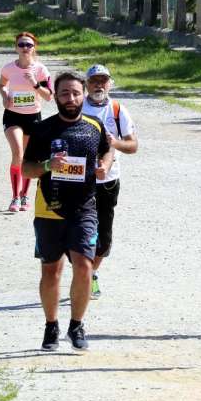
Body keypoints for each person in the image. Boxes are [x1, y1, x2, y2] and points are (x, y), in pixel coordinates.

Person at [22, 72, 113, 352]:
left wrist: (104, 166)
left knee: (84, 266)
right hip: (50, 208)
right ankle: (51, 326)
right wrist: (49, 166)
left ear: (83, 93)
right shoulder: (43, 129)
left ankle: (77, 325)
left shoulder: (94, 126)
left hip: (85, 208)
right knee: (51, 271)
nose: (70, 99)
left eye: (75, 93)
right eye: (64, 93)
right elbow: (26, 168)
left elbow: (107, 152)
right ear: (56, 96)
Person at [81, 64, 139, 299]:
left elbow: (133, 145)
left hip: (108, 181)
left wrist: (114, 144)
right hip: (80, 179)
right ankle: (84, 273)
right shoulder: (77, 106)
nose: (99, 85)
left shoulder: (117, 110)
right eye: (94, 80)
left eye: (103, 81)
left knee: (103, 239)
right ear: (86, 84)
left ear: (110, 84)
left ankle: (90, 272)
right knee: (80, 230)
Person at [0, 32, 53, 212]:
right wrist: (5, 95)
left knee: (29, 158)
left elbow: (49, 97)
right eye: (21, 45)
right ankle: (14, 197)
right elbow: (2, 85)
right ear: (16, 47)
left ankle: (24, 195)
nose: (25, 48)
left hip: (33, 118)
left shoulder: (40, 70)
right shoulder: (8, 68)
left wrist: (35, 84)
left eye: (29, 45)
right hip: (13, 116)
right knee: (18, 154)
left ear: (34, 48)